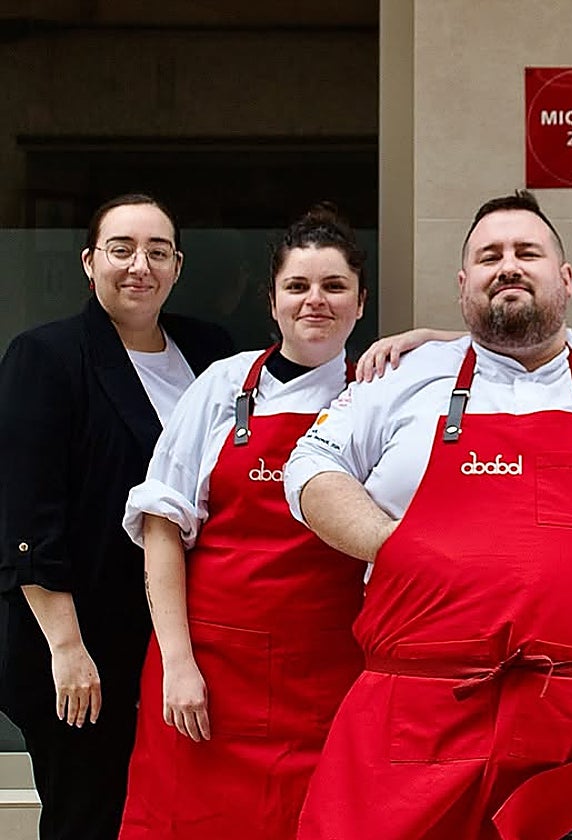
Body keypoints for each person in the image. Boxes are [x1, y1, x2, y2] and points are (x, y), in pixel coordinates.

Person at [283, 190, 572, 840]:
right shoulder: (406, 378)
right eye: (489, 256)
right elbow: (311, 464)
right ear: (462, 285)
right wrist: (390, 544)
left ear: (564, 279)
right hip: (422, 726)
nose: (508, 266)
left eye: (527, 252)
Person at [117, 205, 368, 839]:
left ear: (361, 304)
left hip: (328, 677)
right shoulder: (224, 385)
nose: (316, 301)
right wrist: (177, 662)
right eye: (298, 286)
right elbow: (161, 525)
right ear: (273, 301)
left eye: (335, 286)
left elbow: (491, 345)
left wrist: (417, 340)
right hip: (208, 673)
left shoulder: (378, 395)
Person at [0, 194, 233, 840]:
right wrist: (69, 650)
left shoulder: (209, 352)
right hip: (88, 646)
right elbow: (27, 517)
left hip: (186, 638)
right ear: (88, 261)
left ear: (179, 266)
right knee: (92, 817)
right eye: (122, 249)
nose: (140, 266)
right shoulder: (44, 357)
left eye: (158, 252)